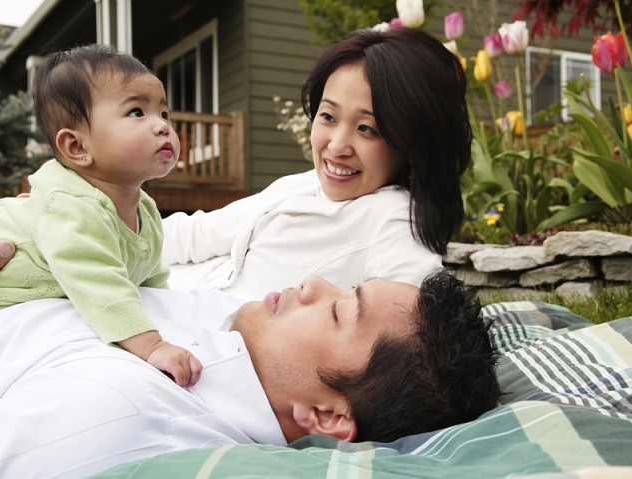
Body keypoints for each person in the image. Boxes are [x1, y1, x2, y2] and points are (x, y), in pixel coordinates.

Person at [0, 206, 500, 478]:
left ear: (326, 417)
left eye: (337, 311)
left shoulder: (123, 409)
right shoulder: (232, 324)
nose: (310, 283)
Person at [0, 44, 204, 386]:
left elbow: (154, 282)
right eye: (137, 112)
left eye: (164, 113)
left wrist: (183, 322)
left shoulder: (146, 211)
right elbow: (98, 285)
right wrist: (151, 345)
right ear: (78, 147)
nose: (163, 126)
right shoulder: (72, 208)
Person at [162, 26, 471, 299]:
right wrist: (116, 236)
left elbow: (403, 332)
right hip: (152, 301)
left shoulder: (396, 222)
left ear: (411, 143)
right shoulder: (303, 184)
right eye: (328, 116)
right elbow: (197, 234)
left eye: (367, 128)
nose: (336, 146)